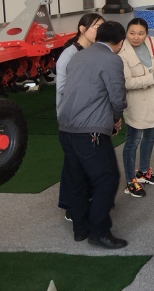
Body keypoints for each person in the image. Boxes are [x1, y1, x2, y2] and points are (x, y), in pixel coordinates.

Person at [57, 20, 128, 249]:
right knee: (107, 178)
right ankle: (99, 232)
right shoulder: (111, 59)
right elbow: (117, 97)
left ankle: (80, 229)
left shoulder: (78, 56)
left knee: (76, 179)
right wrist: (115, 119)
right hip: (90, 131)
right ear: (120, 42)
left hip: (66, 128)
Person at [55, 13, 105, 218]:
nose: (100, 31)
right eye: (96, 27)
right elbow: (63, 88)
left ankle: (87, 201)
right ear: (82, 29)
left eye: (102, 27)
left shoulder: (94, 51)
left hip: (90, 117)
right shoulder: (68, 54)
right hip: (73, 118)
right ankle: (71, 206)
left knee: (87, 162)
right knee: (74, 165)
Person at [118, 17, 154, 199]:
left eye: (140, 33)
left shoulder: (152, 43)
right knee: (133, 141)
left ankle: (143, 172)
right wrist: (152, 78)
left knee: (151, 136)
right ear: (126, 33)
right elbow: (127, 82)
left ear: (146, 34)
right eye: (132, 33)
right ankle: (130, 181)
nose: (136, 37)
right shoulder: (121, 51)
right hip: (135, 104)